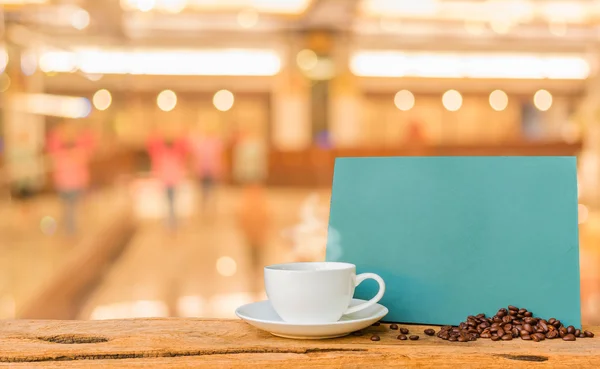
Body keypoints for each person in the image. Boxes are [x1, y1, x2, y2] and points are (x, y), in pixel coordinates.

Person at [46, 122, 95, 235]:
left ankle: (69, 229)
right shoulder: (67, 154)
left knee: (69, 208)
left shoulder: (73, 154)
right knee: (69, 208)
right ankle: (69, 229)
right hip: (67, 185)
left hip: (71, 185)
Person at [147, 133, 187, 231]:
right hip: (168, 183)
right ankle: (169, 221)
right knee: (169, 203)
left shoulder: (169, 155)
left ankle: (171, 221)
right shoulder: (166, 155)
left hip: (171, 182)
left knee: (171, 203)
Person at [188, 125, 224, 214]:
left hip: (212, 170)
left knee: (212, 190)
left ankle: (212, 208)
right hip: (202, 171)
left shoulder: (216, 143)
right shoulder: (200, 144)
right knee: (203, 190)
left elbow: (219, 156)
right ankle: (204, 207)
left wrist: (221, 168)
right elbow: (195, 158)